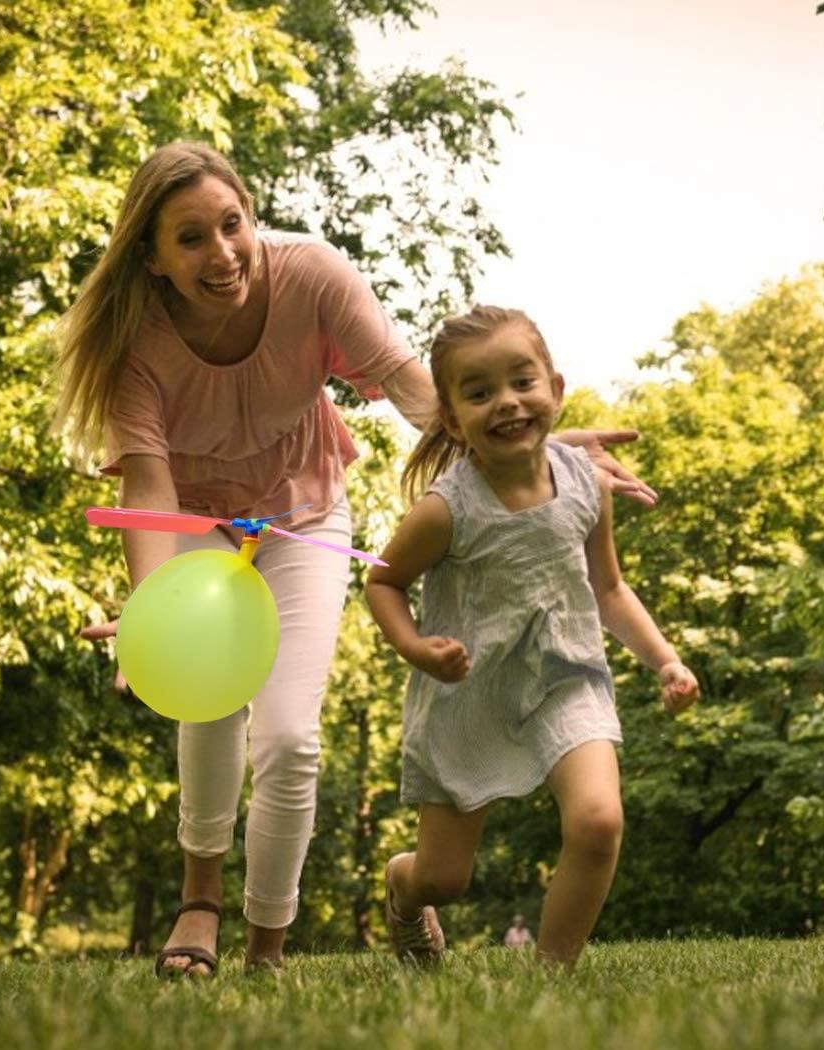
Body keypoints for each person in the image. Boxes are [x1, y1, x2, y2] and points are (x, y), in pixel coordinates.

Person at [54, 141, 656, 979]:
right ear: (151, 257)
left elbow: (408, 383)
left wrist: (539, 448)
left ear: (252, 216)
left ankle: (268, 942)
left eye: (233, 225)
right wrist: (155, 612)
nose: (222, 254)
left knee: (294, 738)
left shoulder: (312, 276)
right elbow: (150, 490)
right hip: (196, 520)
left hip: (302, 511)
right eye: (190, 239)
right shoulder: (137, 343)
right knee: (209, 701)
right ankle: (200, 902)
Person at [365, 304, 700, 970]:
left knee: (599, 821)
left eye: (523, 382)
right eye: (480, 392)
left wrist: (665, 659)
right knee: (444, 879)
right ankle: (405, 892)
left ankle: (552, 978)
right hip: (468, 695)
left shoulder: (587, 485)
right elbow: (383, 582)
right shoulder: (445, 510)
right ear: (454, 420)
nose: (508, 403)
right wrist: (416, 647)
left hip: (564, 680)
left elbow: (609, 590)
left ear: (556, 388)